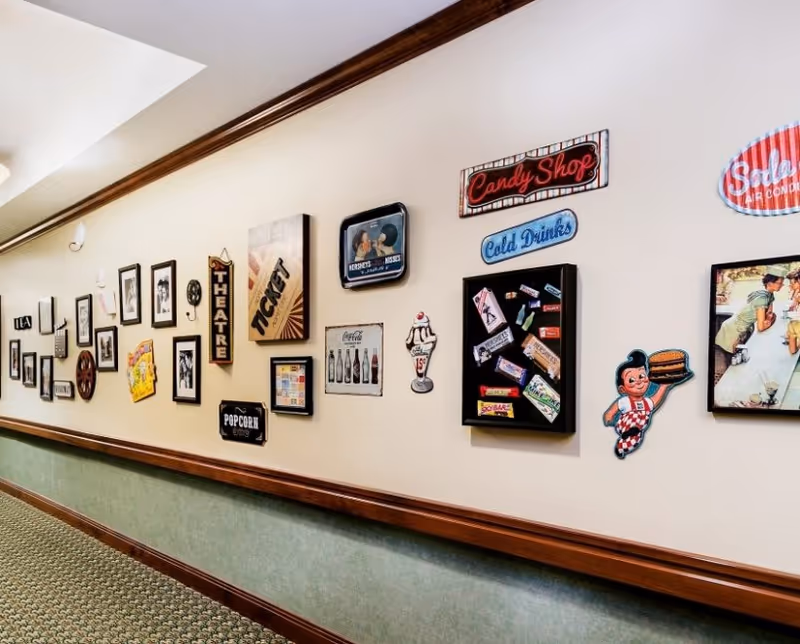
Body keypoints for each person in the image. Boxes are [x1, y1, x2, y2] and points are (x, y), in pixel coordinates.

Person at [714, 269, 785, 381]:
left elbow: (770, 315)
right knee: (732, 364)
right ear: (770, 283)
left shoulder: (769, 295)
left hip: (741, 327)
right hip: (733, 329)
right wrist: (769, 320)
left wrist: (769, 319)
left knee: (738, 362)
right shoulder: (762, 299)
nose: (782, 285)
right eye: (780, 283)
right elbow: (762, 326)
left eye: (782, 283)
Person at [602, 350, 672, 459]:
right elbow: (612, 411)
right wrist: (609, 418)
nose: (639, 382)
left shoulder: (647, 402)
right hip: (625, 423)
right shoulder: (625, 401)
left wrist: (664, 386)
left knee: (636, 439)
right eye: (631, 380)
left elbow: (656, 398)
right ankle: (626, 434)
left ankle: (622, 445)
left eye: (642, 376)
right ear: (622, 389)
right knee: (633, 431)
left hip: (638, 429)